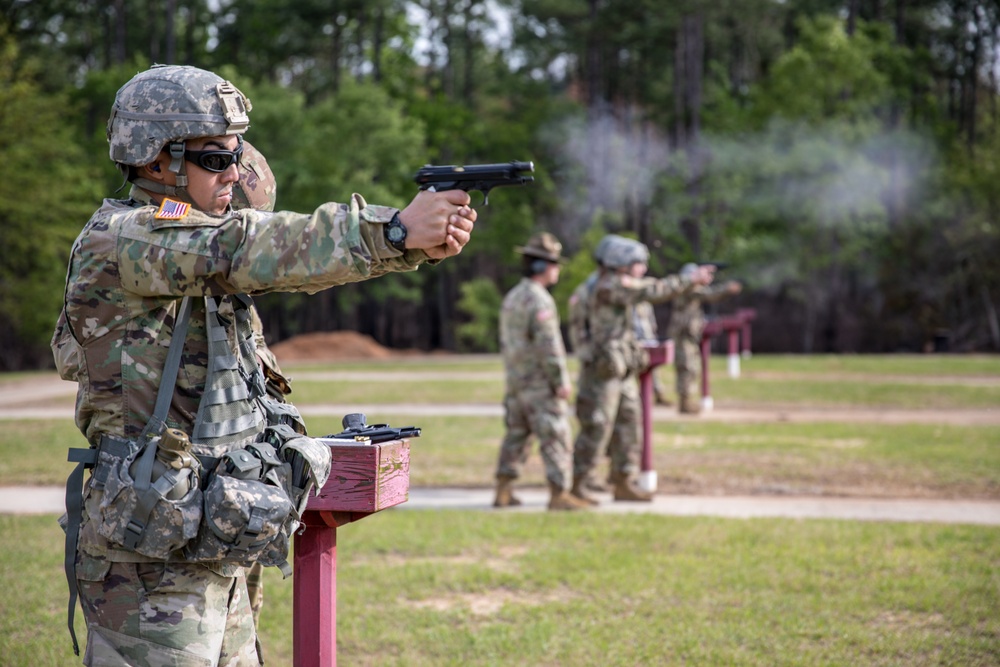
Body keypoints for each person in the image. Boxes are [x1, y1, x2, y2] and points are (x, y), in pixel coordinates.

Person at [54, 64, 476, 666]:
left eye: (237, 153)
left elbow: (255, 255)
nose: (235, 171)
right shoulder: (128, 238)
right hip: (150, 564)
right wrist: (397, 229)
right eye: (214, 158)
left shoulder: (190, 245)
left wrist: (406, 246)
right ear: (155, 162)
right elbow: (250, 247)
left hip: (213, 532)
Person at [571, 237, 713, 504]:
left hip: (619, 368)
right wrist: (691, 279)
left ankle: (623, 481)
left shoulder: (601, 283)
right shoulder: (610, 284)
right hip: (604, 370)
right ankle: (579, 484)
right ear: (620, 263)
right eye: (637, 263)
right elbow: (653, 290)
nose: (641, 269)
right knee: (597, 427)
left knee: (629, 424)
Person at [494, 233, 590, 511]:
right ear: (541, 267)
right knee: (556, 436)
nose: (557, 269)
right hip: (539, 385)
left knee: (516, 435)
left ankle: (503, 488)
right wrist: (560, 381)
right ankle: (559, 494)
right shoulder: (540, 300)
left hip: (516, 382)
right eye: (554, 264)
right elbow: (550, 347)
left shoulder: (512, 297)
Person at [666, 264, 743, 414]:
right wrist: (727, 289)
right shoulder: (688, 289)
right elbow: (709, 294)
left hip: (687, 334)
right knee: (687, 367)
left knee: (691, 367)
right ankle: (685, 402)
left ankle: (686, 401)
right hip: (683, 334)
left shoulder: (686, 289)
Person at [632, 301, 671, 405]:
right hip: (634, 341)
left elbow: (652, 323)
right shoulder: (629, 302)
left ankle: (658, 394)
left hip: (648, 339)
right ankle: (637, 396)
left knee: (653, 369)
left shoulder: (646, 304)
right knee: (634, 370)